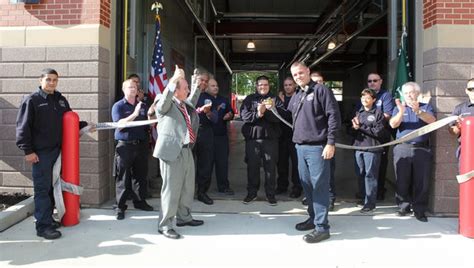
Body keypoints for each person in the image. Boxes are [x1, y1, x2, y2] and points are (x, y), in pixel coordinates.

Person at [16, 68, 94, 239]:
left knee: (53, 187)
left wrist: (86, 125)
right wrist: (27, 151)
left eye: (55, 80)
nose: (52, 83)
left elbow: (69, 119)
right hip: (41, 153)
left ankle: (49, 219)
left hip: (59, 151)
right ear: (41, 80)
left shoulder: (60, 99)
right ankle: (43, 227)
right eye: (48, 79)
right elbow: (23, 127)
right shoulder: (32, 100)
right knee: (42, 189)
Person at [289, 62, 341, 243]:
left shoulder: (321, 90)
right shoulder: (297, 94)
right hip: (300, 147)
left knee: (319, 186)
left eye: (301, 73)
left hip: (318, 147)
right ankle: (313, 218)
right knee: (307, 185)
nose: (298, 77)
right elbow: (289, 115)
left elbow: (333, 116)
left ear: (308, 72)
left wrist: (331, 142)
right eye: (295, 75)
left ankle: (322, 227)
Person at [152, 66, 203, 239]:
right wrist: (173, 81)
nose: (188, 90)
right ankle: (165, 225)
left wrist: (196, 84)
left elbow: (194, 98)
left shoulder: (184, 104)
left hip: (187, 151)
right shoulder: (165, 102)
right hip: (171, 152)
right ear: (176, 90)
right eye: (185, 87)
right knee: (171, 190)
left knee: (187, 187)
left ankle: (184, 217)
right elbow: (165, 98)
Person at [389, 82, 436, 222]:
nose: (409, 95)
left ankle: (419, 210)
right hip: (403, 148)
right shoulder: (398, 108)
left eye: (411, 92)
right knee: (402, 180)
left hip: (422, 149)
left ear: (417, 93)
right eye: (406, 93)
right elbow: (393, 124)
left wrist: (418, 112)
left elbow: (432, 121)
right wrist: (402, 112)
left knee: (421, 181)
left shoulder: (426, 107)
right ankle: (403, 207)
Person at [240, 75, 289, 206]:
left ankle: (270, 195)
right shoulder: (249, 99)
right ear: (256, 86)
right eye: (260, 85)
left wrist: (269, 110)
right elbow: (244, 116)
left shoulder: (275, 99)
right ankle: (252, 193)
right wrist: (259, 113)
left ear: (269, 86)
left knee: (270, 168)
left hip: (271, 140)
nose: (263, 87)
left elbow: (281, 117)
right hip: (253, 140)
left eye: (265, 85)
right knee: (252, 168)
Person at [111, 79, 154, 220]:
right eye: (130, 87)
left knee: (140, 176)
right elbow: (120, 125)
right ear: (124, 90)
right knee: (123, 177)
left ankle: (140, 202)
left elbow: (148, 123)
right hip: (125, 146)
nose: (133, 89)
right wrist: (134, 114)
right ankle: (120, 207)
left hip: (140, 145)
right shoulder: (118, 106)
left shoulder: (143, 105)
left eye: (135, 87)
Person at [350, 89, 389, 213]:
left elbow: (378, 132)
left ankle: (370, 203)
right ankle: (363, 198)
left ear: (373, 100)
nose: (364, 100)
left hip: (372, 149)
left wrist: (360, 127)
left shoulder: (378, 114)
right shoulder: (358, 113)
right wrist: (353, 128)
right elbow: (350, 131)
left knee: (370, 176)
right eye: (362, 98)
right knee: (360, 174)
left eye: (367, 98)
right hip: (358, 148)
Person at [310, 70, 336, 211]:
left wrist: (330, 142)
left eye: (319, 81)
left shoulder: (327, 95)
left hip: (324, 143)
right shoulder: (305, 96)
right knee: (313, 176)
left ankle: (330, 198)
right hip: (310, 144)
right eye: (314, 82)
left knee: (327, 174)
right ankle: (314, 198)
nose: (317, 85)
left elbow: (333, 118)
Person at [367, 72, 394, 201]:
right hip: (365, 136)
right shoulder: (364, 95)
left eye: (375, 80)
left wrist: (368, 121)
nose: (372, 83)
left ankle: (379, 191)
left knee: (380, 164)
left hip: (380, 136)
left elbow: (387, 115)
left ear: (381, 81)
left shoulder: (386, 96)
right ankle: (366, 192)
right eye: (370, 81)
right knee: (366, 166)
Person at [205, 78, 235, 195]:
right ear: (207, 87)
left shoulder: (223, 99)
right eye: (213, 86)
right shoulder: (203, 99)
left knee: (222, 163)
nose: (216, 87)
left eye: (216, 85)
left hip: (221, 136)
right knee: (206, 163)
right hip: (207, 136)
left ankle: (223, 186)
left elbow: (231, 112)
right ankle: (203, 189)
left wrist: (230, 115)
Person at [275, 77, 301, 198]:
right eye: (285, 85)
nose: (288, 87)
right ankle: (282, 186)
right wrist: (279, 102)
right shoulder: (278, 99)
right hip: (281, 136)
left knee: (296, 164)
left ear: (295, 85)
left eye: (290, 84)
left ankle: (297, 187)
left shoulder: (300, 97)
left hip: (295, 136)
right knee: (281, 164)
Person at [193, 70, 215, 205]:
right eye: (202, 80)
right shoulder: (186, 94)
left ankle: (202, 192)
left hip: (205, 132)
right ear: (195, 79)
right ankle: (186, 192)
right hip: (189, 132)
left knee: (205, 164)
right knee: (187, 164)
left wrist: (208, 113)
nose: (204, 83)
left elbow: (216, 118)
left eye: (206, 81)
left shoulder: (209, 97)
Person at [449, 78, 474, 164]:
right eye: (471, 89)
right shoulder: (460, 108)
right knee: (465, 176)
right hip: (466, 149)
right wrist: (458, 125)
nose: (473, 91)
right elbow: (452, 132)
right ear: (466, 91)